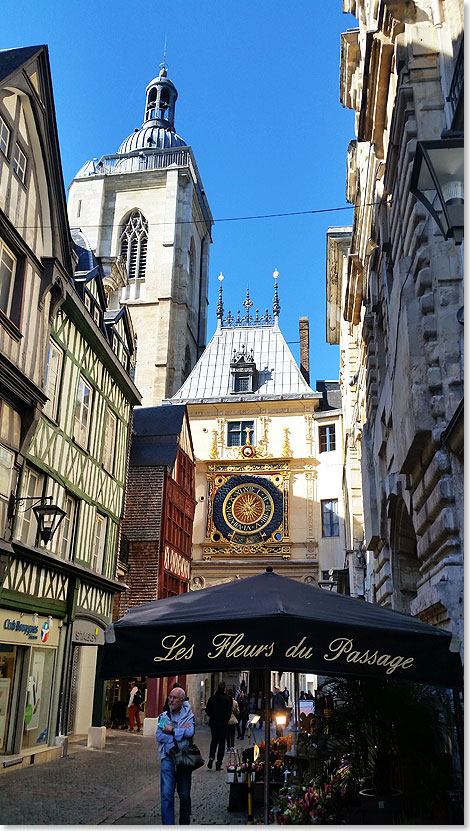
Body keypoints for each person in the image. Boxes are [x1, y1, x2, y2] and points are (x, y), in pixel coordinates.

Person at [156, 686, 195, 825]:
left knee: (184, 795)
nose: (171, 700)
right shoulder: (164, 716)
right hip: (167, 758)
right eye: (170, 697)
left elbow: (190, 732)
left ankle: (184, 824)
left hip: (184, 759)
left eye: (174, 698)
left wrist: (171, 730)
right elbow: (159, 735)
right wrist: (179, 733)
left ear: (182, 700)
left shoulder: (189, 715)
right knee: (167, 796)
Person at [205, 680, 231, 770]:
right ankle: (219, 763)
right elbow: (229, 712)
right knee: (222, 743)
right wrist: (225, 719)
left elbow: (207, 710)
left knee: (214, 741)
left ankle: (211, 758)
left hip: (214, 723)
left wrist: (212, 716)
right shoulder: (226, 699)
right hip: (223, 724)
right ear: (224, 689)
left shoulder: (212, 698)